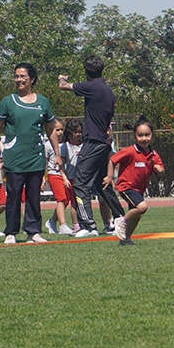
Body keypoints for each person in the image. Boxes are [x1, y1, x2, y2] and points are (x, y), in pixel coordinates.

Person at [0, 62, 61, 244]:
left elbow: (50, 129)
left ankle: (33, 232)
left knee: (33, 197)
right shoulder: (7, 102)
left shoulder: (42, 102)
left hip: (36, 158)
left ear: (31, 79)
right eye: (16, 76)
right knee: (14, 196)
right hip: (15, 159)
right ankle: (11, 232)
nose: (18, 80)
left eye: (22, 76)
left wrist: (57, 154)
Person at [58, 55, 124, 237]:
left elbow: (64, 86)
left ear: (86, 71)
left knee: (80, 182)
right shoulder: (108, 91)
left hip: (93, 142)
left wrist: (62, 78)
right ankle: (121, 220)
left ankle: (88, 226)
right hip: (104, 143)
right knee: (103, 183)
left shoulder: (91, 87)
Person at [104, 116, 164, 246]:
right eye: (140, 135)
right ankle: (121, 221)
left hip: (138, 190)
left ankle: (125, 239)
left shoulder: (153, 155)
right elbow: (112, 160)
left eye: (147, 135)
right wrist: (109, 176)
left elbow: (161, 171)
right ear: (134, 136)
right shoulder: (130, 151)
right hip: (126, 186)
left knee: (137, 215)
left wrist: (160, 170)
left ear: (152, 135)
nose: (144, 138)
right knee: (142, 207)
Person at [44, 118, 76, 235]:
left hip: (65, 175)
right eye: (57, 130)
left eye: (62, 130)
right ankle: (63, 225)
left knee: (66, 200)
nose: (60, 132)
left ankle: (52, 221)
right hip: (54, 174)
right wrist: (43, 178)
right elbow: (45, 163)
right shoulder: (48, 145)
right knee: (61, 199)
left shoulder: (66, 144)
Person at [58, 118, 83, 234]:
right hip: (72, 178)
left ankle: (85, 222)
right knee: (74, 203)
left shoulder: (84, 145)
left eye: (80, 132)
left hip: (82, 178)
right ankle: (76, 225)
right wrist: (64, 178)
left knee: (83, 202)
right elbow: (62, 165)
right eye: (75, 132)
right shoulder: (65, 146)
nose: (78, 134)